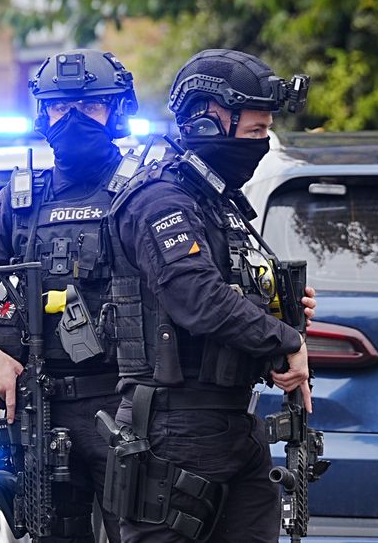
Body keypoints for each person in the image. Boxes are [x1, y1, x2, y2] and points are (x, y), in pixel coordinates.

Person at [107, 48, 316, 542]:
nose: (260, 145)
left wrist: (279, 310)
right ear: (206, 122)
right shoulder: (161, 199)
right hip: (173, 431)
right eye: (253, 133)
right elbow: (197, 297)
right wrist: (282, 339)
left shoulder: (218, 202)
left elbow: (229, 292)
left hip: (234, 425)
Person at [0, 49, 141, 542]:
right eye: (60, 106)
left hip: (129, 407)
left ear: (116, 111)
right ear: (42, 113)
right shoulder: (18, 200)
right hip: (40, 411)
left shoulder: (146, 192)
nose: (72, 118)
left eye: (89, 106)